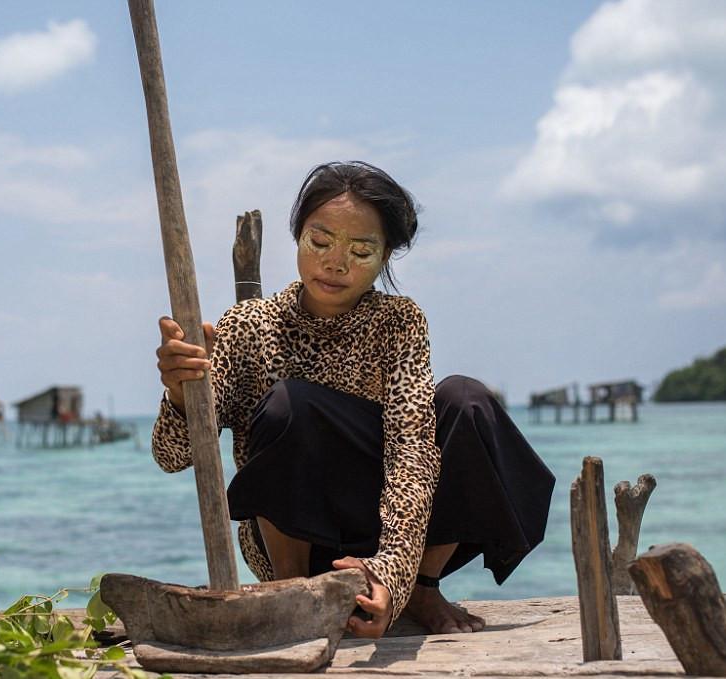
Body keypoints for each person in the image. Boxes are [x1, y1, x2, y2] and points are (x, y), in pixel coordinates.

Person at [152, 161, 555, 638]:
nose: (335, 263)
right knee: (291, 404)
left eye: (360, 251)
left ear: (384, 257)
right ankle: (292, 591)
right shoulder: (247, 327)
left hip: (394, 537)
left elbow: (412, 451)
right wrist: (181, 395)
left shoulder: (399, 323)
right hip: (293, 543)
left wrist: (393, 575)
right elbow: (173, 456)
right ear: (298, 236)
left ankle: (424, 588)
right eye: (320, 243)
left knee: (466, 399)